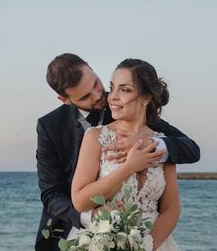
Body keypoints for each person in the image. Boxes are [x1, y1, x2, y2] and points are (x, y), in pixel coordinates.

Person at [35, 54, 200, 251]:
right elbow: (51, 193)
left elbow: (188, 149)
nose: (99, 96)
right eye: (85, 96)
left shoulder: (134, 112)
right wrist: (98, 219)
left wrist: (150, 144)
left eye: (97, 84)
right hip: (83, 232)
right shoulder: (50, 126)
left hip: (150, 239)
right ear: (65, 99)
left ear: (91, 67)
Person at [72, 58, 182, 250]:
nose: (112, 96)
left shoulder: (162, 143)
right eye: (112, 87)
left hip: (155, 244)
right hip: (106, 242)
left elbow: (171, 208)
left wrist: (147, 245)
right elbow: (80, 201)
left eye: (125, 90)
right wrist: (129, 167)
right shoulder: (96, 137)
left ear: (146, 97)